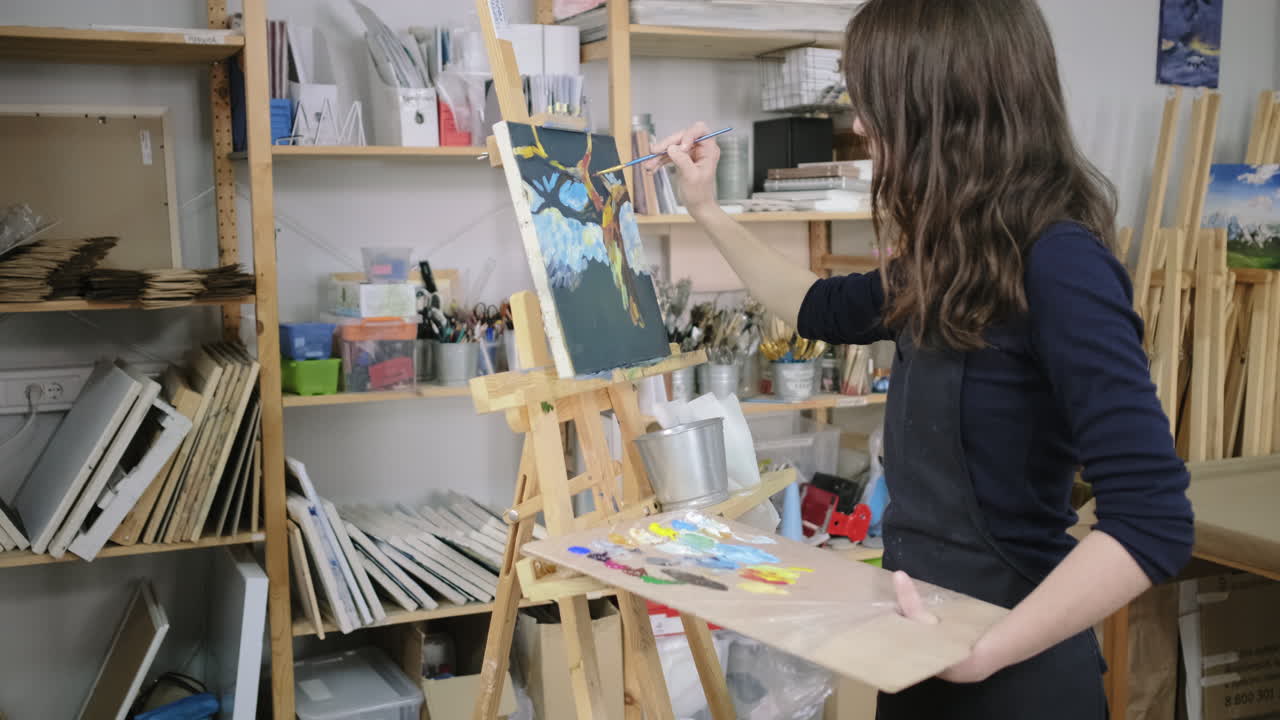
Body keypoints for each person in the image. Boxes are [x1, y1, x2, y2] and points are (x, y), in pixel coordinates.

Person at [647, 0, 1194, 717]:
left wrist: (984, 651)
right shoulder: (956, 255)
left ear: (946, 106)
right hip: (923, 655)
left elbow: (1153, 519)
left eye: (877, 104)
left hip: (1010, 673)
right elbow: (814, 305)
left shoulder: (1061, 265)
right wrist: (706, 209)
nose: (863, 126)